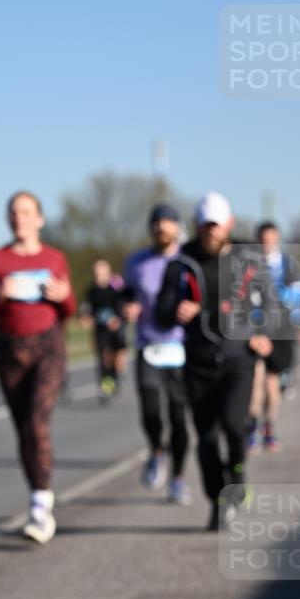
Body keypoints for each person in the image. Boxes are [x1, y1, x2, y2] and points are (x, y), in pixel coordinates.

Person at [0, 191, 76, 543]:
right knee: (25, 428)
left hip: (48, 346)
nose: (19, 218)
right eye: (13, 213)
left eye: (26, 212)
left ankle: (41, 504)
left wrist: (63, 297)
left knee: (39, 420)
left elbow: (68, 308)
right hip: (10, 349)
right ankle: (37, 494)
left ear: (39, 219)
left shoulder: (55, 258)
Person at [156, 192, 273, 530]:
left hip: (238, 359)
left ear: (229, 225)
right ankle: (217, 500)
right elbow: (161, 312)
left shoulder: (247, 258)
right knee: (206, 439)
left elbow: (269, 303)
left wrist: (262, 332)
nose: (210, 233)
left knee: (235, 427)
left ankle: (237, 471)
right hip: (198, 361)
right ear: (196, 226)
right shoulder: (181, 263)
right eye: (205, 227)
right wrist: (177, 310)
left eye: (216, 227)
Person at [122, 203, 191, 503]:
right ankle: (156, 451)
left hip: (181, 346)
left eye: (167, 222)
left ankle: (177, 478)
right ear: (150, 228)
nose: (162, 227)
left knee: (178, 417)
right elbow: (125, 294)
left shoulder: (189, 261)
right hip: (148, 345)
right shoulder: (136, 262)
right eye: (157, 222)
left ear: (177, 227)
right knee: (150, 410)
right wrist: (126, 307)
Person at [246, 222, 296, 453]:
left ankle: (269, 428)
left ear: (276, 239)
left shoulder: (287, 264)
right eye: (262, 239)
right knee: (255, 380)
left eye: (270, 239)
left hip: (279, 331)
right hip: (253, 329)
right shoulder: (248, 263)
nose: (266, 243)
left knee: (271, 382)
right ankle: (252, 429)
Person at [82, 259, 127, 401]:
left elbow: (123, 305)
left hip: (116, 329)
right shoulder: (91, 290)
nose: (99, 276)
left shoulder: (116, 288)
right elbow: (87, 308)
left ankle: (115, 378)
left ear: (108, 273)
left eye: (102, 273)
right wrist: (87, 318)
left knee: (117, 360)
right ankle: (105, 384)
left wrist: (118, 319)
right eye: (96, 273)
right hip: (100, 329)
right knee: (103, 357)